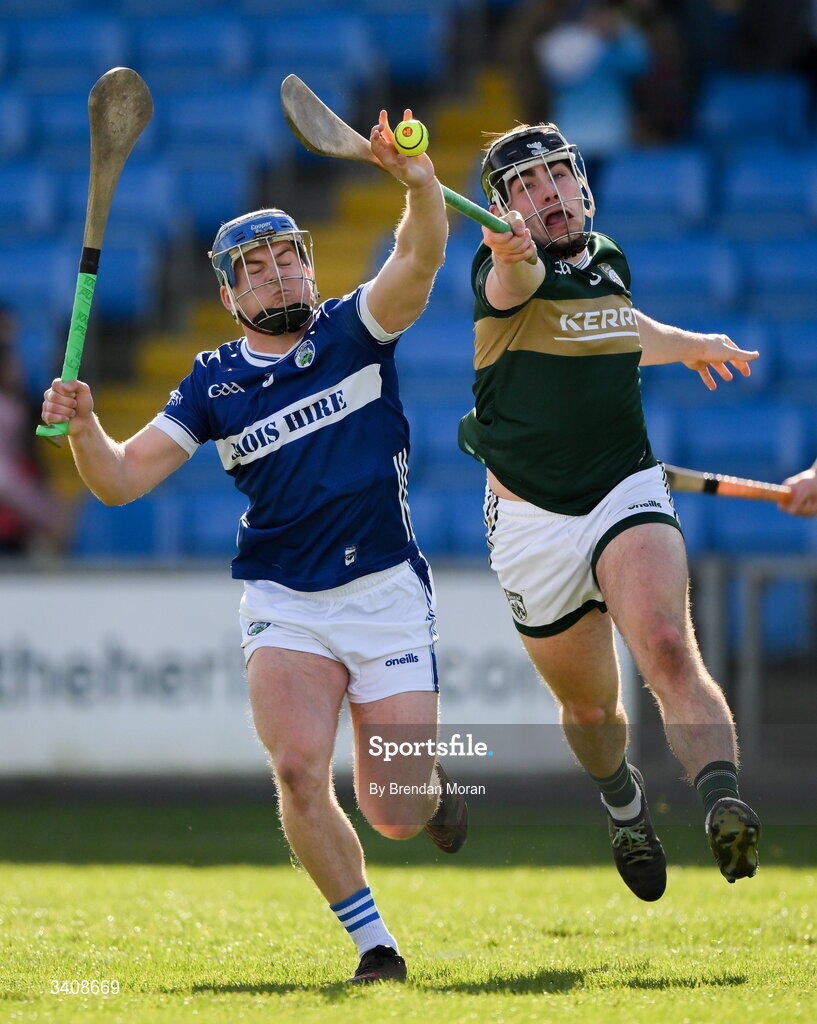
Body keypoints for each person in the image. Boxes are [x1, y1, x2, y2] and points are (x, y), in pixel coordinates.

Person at [40, 109, 467, 984]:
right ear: (231, 296)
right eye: (255, 268)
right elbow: (120, 479)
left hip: (385, 593)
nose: (277, 273)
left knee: (393, 809)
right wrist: (85, 429)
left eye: (287, 257)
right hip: (284, 601)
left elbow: (420, 258)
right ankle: (373, 947)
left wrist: (420, 185)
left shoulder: (357, 328)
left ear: (308, 264)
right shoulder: (211, 383)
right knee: (299, 771)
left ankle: (432, 795)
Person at [458, 122, 762, 902]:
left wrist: (688, 343)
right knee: (591, 708)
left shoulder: (607, 259)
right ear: (503, 208)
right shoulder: (501, 273)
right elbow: (515, 284)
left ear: (578, 181)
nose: (547, 195)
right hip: (530, 523)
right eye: (525, 186)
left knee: (665, 646)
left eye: (556, 176)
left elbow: (617, 327)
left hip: (624, 486)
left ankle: (722, 800)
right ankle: (624, 807)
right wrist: (511, 255)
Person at [0, 307, 69, 557]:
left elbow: (35, 453)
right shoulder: (8, 410)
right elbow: (5, 479)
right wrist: (48, 514)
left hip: (17, 505)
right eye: (13, 366)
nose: (20, 371)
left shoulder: (21, 406)